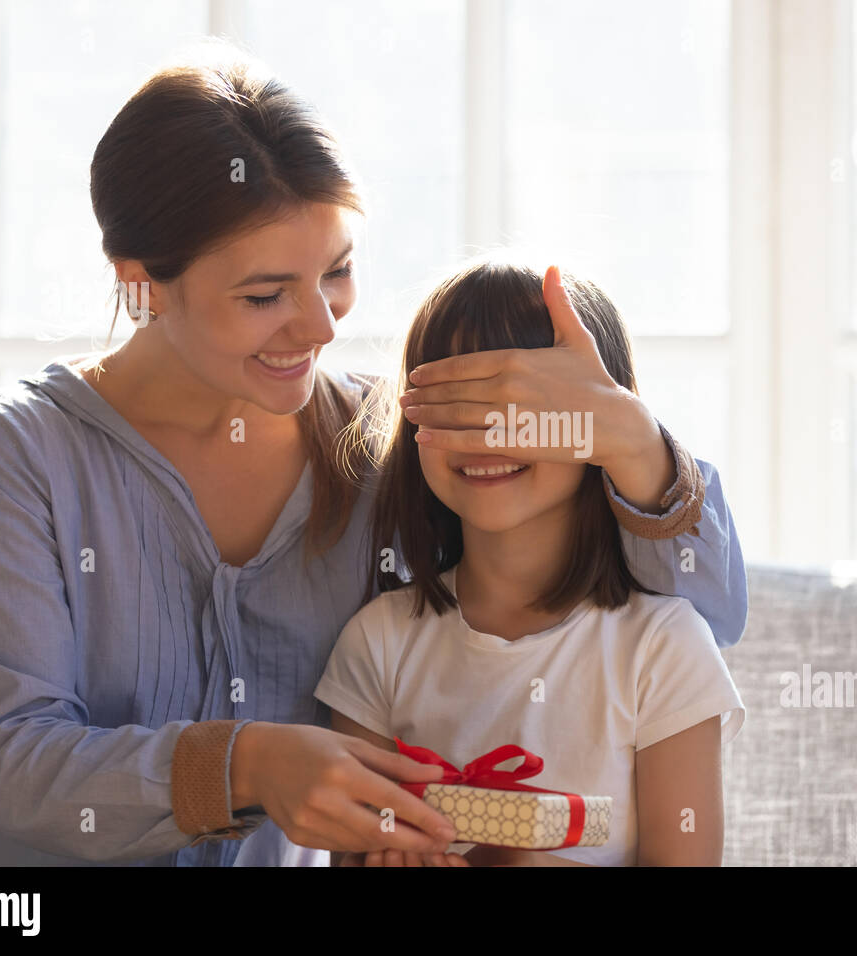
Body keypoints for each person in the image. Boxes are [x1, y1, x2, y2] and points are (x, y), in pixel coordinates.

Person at [0, 45, 748, 867]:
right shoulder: (18, 453)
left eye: (338, 272)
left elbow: (705, 616)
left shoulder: (391, 441)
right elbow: (12, 762)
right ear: (142, 284)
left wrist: (632, 441)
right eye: (265, 295)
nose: (321, 327)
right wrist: (248, 763)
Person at [260, 259, 746, 867]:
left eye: (521, 403)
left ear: (600, 426)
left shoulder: (663, 648)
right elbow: (354, 850)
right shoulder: (378, 641)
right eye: (452, 401)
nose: (487, 431)